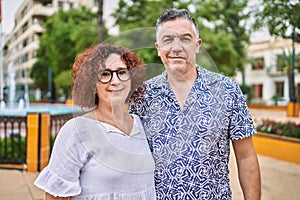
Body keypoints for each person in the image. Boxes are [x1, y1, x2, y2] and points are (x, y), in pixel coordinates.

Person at [130, 8, 261, 199]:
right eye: (168, 40)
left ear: (197, 45)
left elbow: (246, 156)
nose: (176, 48)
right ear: (158, 48)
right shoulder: (142, 95)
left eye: (185, 38)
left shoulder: (227, 89)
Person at [34, 43, 156, 200]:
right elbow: (55, 197)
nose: (115, 81)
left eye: (122, 72)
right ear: (92, 83)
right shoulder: (77, 131)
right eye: (105, 74)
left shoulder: (141, 125)